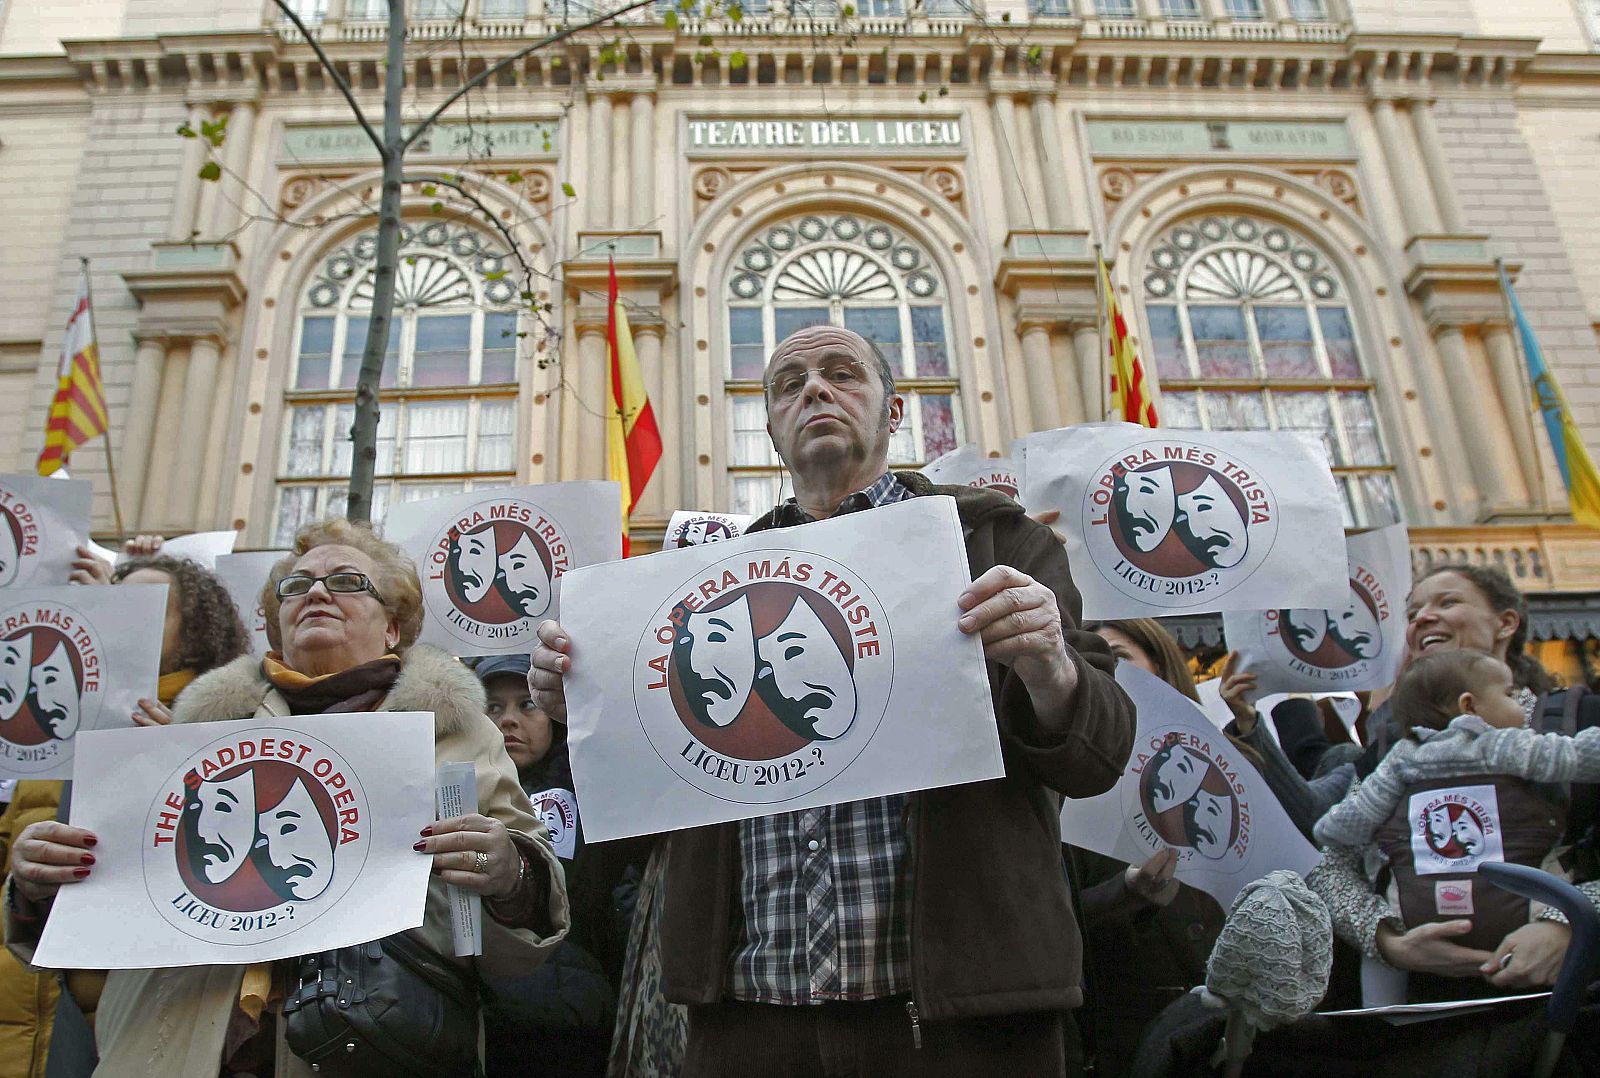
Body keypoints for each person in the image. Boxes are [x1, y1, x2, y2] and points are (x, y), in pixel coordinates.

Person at [532, 325, 1136, 1077]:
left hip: (958, 1021)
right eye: (789, 384)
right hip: (749, 1020)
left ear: (895, 410)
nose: (814, 389)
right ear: (774, 430)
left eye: (842, 373)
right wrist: (583, 717)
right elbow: (640, 812)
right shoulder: (693, 588)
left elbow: (1100, 756)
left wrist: (1051, 669)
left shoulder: (990, 539)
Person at [5, 518, 569, 1075]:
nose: (317, 591)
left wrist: (509, 875)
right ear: (277, 626)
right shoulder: (188, 735)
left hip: (372, 1044)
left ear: (393, 627)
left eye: (347, 582)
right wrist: (39, 885)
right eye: (296, 586)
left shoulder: (459, 732)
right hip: (174, 1044)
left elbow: (523, 934)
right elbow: (113, 910)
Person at [0, 546, 253, 1077]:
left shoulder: (228, 732)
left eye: (148, 606)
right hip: (21, 1001)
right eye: (116, 603)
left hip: (126, 1019)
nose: (123, 616)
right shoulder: (55, 722)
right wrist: (22, 882)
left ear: (196, 632)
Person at [1312, 648, 1600, 999]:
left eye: (1448, 600)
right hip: (1521, 916)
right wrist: (1388, 944)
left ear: (1505, 621)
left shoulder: (1403, 754)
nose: (1425, 617)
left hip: (1415, 911)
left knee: (1384, 951)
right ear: (1470, 707)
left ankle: (1382, 1013)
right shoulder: (1501, 743)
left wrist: (1328, 829)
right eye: (1413, 612)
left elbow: (1361, 812)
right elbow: (1570, 757)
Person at [474, 653, 625, 1078]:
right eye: (493, 707)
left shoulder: (593, 783)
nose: (508, 721)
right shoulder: (453, 793)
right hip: (486, 1018)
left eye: (527, 705)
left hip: (577, 1016)